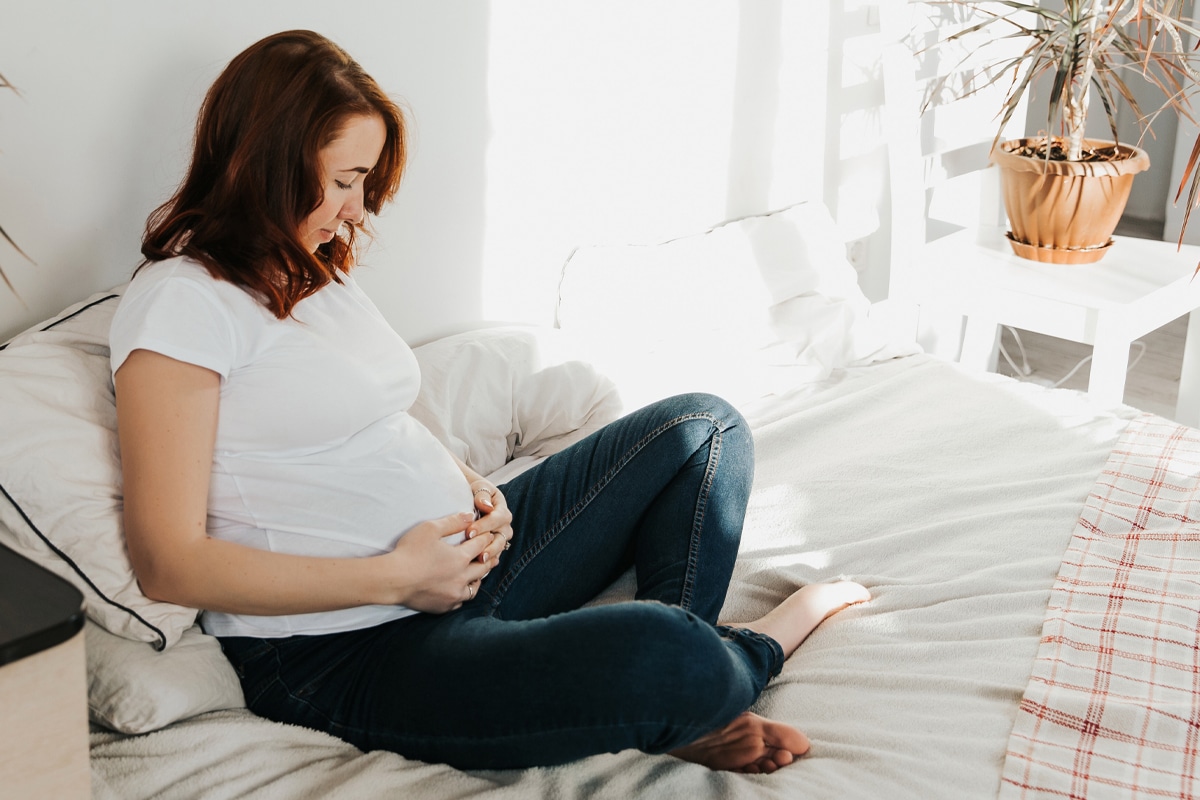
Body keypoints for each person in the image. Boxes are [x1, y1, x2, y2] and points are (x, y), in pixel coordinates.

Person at [110, 29, 870, 774]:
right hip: (347, 648)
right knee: (668, 656)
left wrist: (470, 487)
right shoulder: (182, 304)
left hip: (462, 567)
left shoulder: (313, 272)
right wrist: (397, 579)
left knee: (701, 428)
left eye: (363, 184)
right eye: (344, 180)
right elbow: (167, 565)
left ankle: (685, 695)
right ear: (267, 161)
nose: (355, 210)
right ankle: (735, 661)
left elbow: (373, 418)